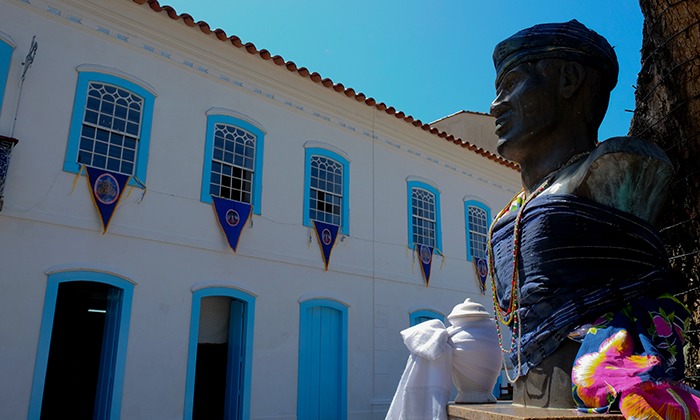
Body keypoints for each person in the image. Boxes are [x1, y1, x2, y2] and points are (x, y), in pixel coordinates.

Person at [488, 20, 699, 416]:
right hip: (524, 400)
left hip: (601, 399)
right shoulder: (510, 210)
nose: (495, 105)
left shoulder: (620, 163)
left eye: (511, 84)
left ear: (569, 79)